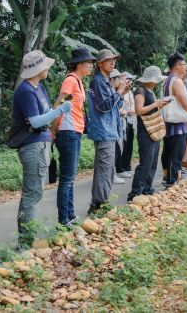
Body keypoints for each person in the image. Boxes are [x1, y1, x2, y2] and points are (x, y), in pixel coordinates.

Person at [10, 50, 71, 247]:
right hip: (32, 145)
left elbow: (46, 114)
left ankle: (28, 239)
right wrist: (61, 110)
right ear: (38, 69)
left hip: (41, 143)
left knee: (35, 192)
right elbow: (36, 122)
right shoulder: (26, 91)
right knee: (32, 193)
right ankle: (25, 243)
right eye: (45, 65)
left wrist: (57, 109)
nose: (48, 67)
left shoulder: (39, 88)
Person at [53, 48, 95, 228]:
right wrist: (53, 129)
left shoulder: (77, 81)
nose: (92, 66)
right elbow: (58, 105)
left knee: (70, 176)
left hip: (74, 131)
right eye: (89, 63)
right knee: (67, 178)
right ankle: (63, 220)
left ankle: (70, 215)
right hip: (68, 131)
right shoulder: (70, 81)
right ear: (79, 64)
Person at [87, 49, 127, 214]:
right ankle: (99, 205)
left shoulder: (105, 81)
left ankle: (97, 204)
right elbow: (103, 107)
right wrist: (118, 91)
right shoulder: (98, 81)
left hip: (109, 130)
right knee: (105, 169)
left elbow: (115, 107)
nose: (113, 62)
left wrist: (122, 93)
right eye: (109, 60)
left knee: (106, 169)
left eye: (114, 60)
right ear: (100, 63)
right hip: (104, 130)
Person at [127, 66, 170, 201]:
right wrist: (156, 104)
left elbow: (149, 109)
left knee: (152, 162)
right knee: (145, 163)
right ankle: (135, 193)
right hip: (145, 132)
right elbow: (139, 110)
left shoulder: (150, 90)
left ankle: (147, 189)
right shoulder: (140, 90)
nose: (157, 82)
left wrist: (159, 105)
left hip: (153, 130)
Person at [160, 52, 187, 187]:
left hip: (169, 120)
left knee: (168, 150)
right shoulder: (177, 81)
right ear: (176, 66)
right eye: (183, 64)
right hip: (178, 121)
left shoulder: (167, 80)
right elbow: (184, 102)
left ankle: (167, 176)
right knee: (177, 152)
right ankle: (173, 179)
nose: (185, 67)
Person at [115, 71, 136, 179]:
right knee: (120, 145)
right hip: (121, 121)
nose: (129, 81)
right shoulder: (118, 91)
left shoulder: (130, 92)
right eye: (127, 79)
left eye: (130, 79)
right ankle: (120, 168)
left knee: (128, 145)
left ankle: (126, 167)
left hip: (130, 121)